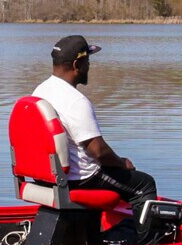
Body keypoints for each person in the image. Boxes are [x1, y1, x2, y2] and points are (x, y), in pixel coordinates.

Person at [32, 35, 158, 215]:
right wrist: (122, 164)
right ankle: (148, 243)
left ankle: (90, 234)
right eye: (87, 61)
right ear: (77, 65)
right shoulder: (75, 101)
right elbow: (98, 152)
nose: (89, 66)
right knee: (144, 185)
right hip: (80, 178)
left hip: (47, 176)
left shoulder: (40, 91)